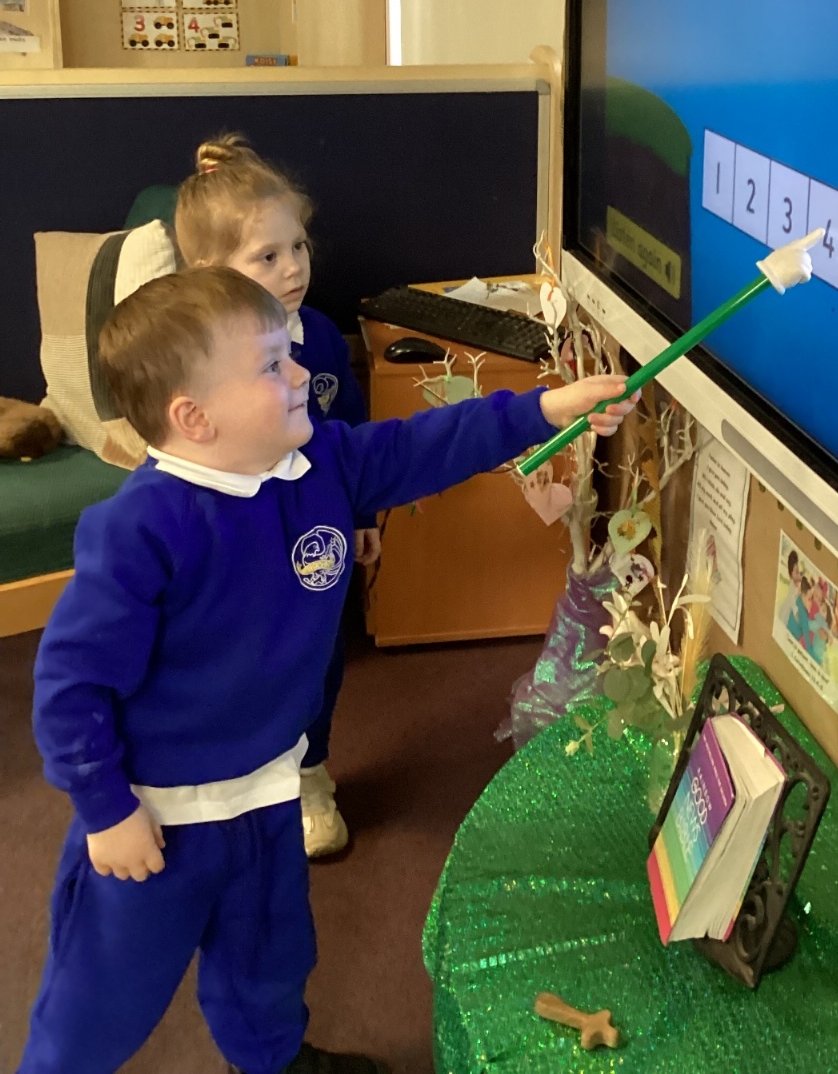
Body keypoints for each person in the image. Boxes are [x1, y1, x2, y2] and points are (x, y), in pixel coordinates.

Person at [19, 267, 635, 1074]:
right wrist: (105, 809)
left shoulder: (322, 465)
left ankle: (272, 1062)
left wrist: (544, 410)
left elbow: (425, 444)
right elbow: (70, 689)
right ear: (194, 417)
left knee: (269, 962)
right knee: (101, 999)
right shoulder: (139, 529)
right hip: (159, 818)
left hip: (269, 793)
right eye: (272, 365)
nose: (301, 373)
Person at [175, 134, 370, 859]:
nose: (293, 268)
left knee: (318, 656)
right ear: (210, 272)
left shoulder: (318, 336)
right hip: (239, 543)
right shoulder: (192, 355)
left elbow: (354, 432)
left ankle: (310, 774)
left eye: (298, 247)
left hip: (316, 537)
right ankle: (243, 781)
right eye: (267, 256)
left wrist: (363, 514)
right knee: (240, 661)